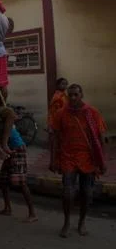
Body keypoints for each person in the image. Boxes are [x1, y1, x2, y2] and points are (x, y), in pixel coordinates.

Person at [50, 84, 107, 238]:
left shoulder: (92, 113)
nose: (73, 98)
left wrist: (102, 161)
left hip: (87, 158)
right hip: (68, 157)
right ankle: (67, 222)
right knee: (68, 193)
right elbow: (55, 137)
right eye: (71, 95)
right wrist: (53, 159)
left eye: (76, 94)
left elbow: (101, 138)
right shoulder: (61, 114)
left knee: (87, 193)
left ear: (81, 95)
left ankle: (82, 222)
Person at [0, 126, 37, 223]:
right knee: (3, 179)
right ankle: (7, 208)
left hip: (17, 149)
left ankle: (32, 214)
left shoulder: (2, 121)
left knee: (21, 183)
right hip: (9, 149)